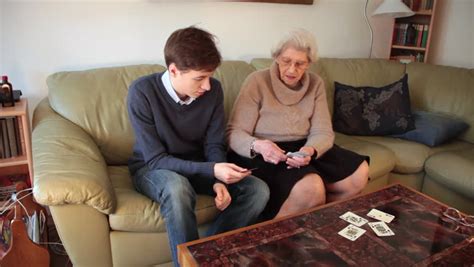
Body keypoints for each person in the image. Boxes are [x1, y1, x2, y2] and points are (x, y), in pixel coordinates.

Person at [127, 26, 269, 266]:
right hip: (153, 169)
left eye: (210, 76)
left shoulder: (213, 92)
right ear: (173, 70)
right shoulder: (142, 92)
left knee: (258, 191)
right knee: (176, 187)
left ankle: (207, 257)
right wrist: (213, 171)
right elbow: (156, 160)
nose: (207, 86)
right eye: (199, 78)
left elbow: (214, 143)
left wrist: (218, 181)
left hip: (200, 167)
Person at [226, 29, 369, 221]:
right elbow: (234, 132)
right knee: (311, 188)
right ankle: (270, 238)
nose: (292, 69)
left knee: (359, 174)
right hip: (265, 152)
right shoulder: (257, 81)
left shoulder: (316, 84)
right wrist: (259, 145)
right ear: (276, 57)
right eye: (286, 61)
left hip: (304, 148)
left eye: (300, 63)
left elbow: (323, 131)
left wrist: (310, 150)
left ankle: (319, 226)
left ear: (309, 63)